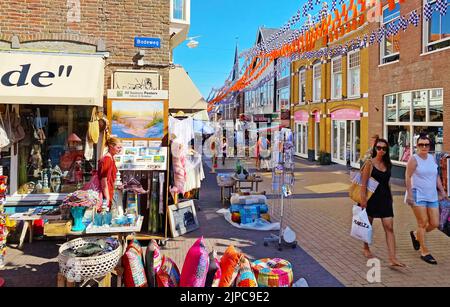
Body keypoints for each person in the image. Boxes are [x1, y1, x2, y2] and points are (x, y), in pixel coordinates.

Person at [360, 138, 405, 267]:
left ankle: (393, 258)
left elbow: (388, 183)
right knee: (368, 225)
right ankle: (366, 247)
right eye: (378, 148)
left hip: (385, 199)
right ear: (375, 149)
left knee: (389, 227)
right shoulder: (369, 163)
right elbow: (363, 184)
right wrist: (363, 200)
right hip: (371, 198)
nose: (381, 150)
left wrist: (391, 197)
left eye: (384, 148)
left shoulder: (388, 164)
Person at [405, 134, 447, 265]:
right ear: (417, 146)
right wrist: (410, 194)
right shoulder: (414, 159)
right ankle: (424, 251)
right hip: (418, 195)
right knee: (422, 223)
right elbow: (407, 177)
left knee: (435, 223)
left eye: (426, 144)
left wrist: (442, 191)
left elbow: (436, 176)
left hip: (432, 195)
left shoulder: (432, 158)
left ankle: (416, 234)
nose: (424, 147)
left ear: (430, 146)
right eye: (421, 144)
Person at [98, 137, 122, 209]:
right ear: (111, 146)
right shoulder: (107, 159)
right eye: (118, 147)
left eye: (121, 147)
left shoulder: (111, 158)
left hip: (109, 191)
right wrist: (107, 197)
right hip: (105, 194)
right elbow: (103, 180)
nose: (120, 150)